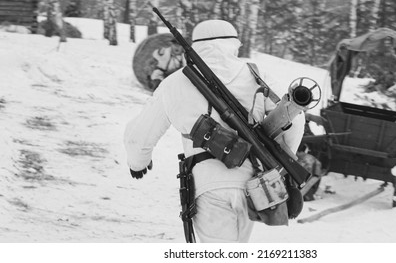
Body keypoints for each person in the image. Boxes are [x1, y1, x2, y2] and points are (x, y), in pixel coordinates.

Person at [124, 20, 305, 243]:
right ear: (234, 43)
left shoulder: (175, 82)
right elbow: (295, 118)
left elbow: (139, 135)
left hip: (208, 185)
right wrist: (277, 159)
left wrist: (138, 162)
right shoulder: (256, 74)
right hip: (254, 184)